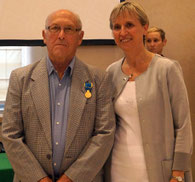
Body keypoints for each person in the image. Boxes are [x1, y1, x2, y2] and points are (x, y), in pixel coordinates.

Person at [2, 9, 115, 182]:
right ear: (44, 35)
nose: (61, 35)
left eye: (69, 29)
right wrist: (39, 178)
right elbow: (10, 134)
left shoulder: (99, 79)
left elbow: (104, 134)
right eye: (55, 28)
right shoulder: (20, 78)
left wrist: (71, 178)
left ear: (80, 37)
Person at [105, 1, 193, 182]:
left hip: (159, 171)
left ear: (145, 27)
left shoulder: (167, 69)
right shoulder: (111, 72)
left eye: (129, 25)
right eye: (117, 27)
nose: (123, 32)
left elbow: (183, 126)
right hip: (118, 170)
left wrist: (178, 173)